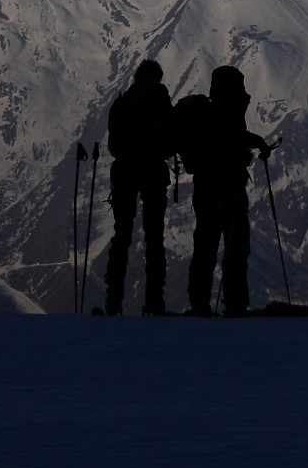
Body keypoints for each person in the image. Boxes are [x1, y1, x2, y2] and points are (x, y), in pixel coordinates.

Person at [187, 64, 272, 318]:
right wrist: (253, 146)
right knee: (235, 245)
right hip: (227, 187)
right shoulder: (226, 113)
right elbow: (231, 142)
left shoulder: (211, 113)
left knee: (206, 244)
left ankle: (200, 301)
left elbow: (231, 139)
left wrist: (254, 143)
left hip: (208, 188)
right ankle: (234, 302)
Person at [103, 59, 174, 315]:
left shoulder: (123, 103)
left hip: (125, 173)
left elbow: (113, 145)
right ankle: (155, 300)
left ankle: (113, 301)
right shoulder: (162, 103)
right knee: (154, 238)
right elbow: (171, 143)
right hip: (153, 173)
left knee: (121, 236)